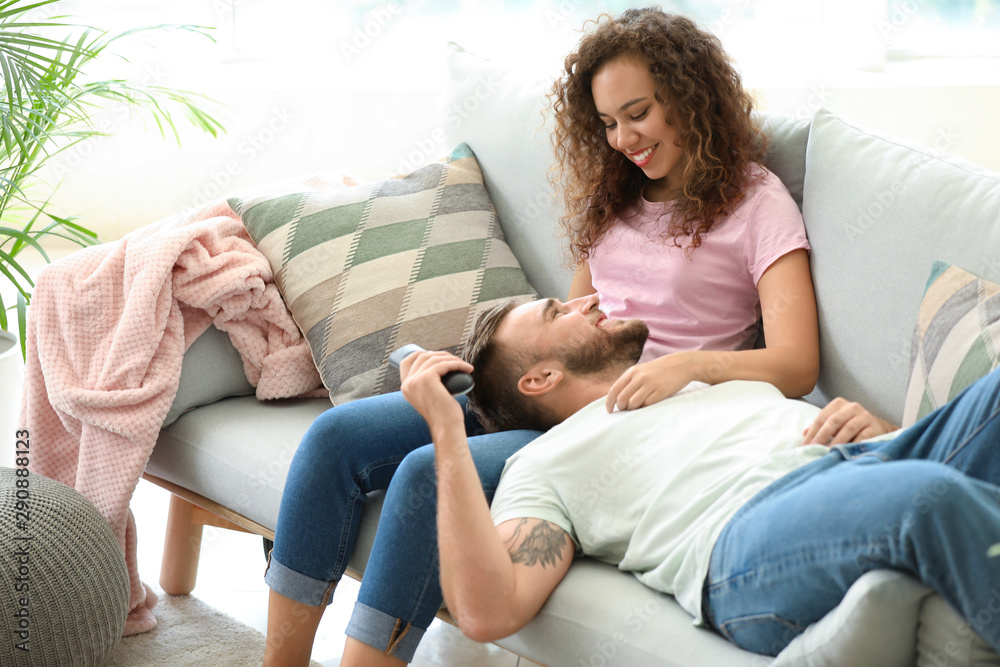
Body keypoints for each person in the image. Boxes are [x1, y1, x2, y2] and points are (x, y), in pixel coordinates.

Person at [263, 8, 820, 666]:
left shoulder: (757, 202)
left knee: (427, 473)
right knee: (336, 437)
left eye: (637, 113)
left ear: (688, 95)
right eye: (607, 123)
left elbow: (796, 363)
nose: (623, 140)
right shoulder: (615, 196)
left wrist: (687, 368)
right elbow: (575, 309)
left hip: (626, 422)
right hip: (557, 385)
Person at [400, 296, 1000, 657]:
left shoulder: (693, 380)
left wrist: (877, 426)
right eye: (560, 311)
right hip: (747, 541)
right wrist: (447, 431)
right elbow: (486, 613)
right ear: (540, 379)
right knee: (928, 498)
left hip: (861, 469)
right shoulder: (545, 461)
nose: (587, 301)